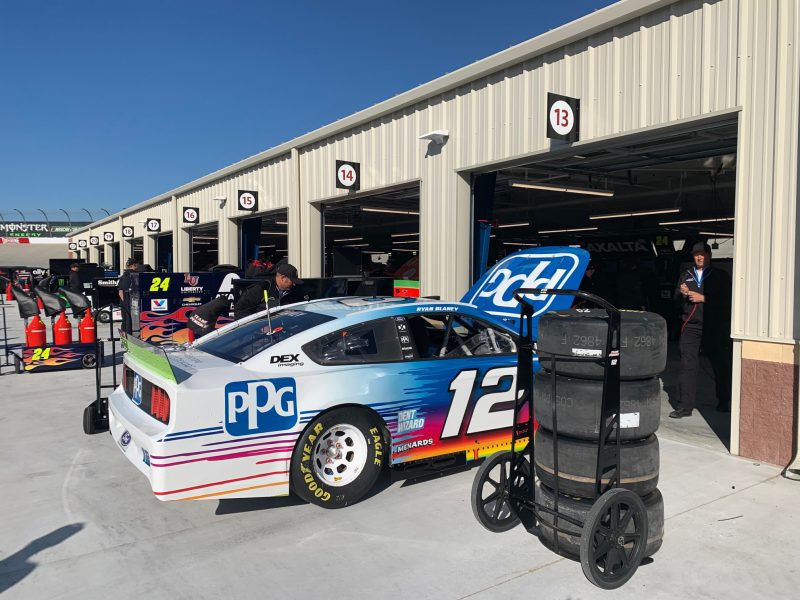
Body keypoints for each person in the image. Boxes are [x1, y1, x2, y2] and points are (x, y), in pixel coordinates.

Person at [670, 242, 732, 418]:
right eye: (696, 254)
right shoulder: (686, 275)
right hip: (690, 326)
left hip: (714, 326)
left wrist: (704, 298)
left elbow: (728, 301)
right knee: (687, 366)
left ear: (709, 256)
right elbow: (674, 302)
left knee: (720, 365)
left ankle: (724, 400)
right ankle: (684, 406)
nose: (699, 257)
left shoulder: (720, 275)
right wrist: (681, 294)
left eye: (702, 254)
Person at [233, 262, 304, 320]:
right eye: (292, 281)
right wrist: (259, 325)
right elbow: (239, 310)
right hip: (259, 331)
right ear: (283, 278)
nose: (294, 284)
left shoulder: (294, 291)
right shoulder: (263, 288)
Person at [117, 258, 140, 334]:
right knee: (133, 321)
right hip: (132, 301)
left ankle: (124, 337)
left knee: (125, 320)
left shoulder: (123, 276)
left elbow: (120, 291)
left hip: (125, 302)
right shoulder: (136, 275)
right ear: (134, 265)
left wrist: (124, 303)